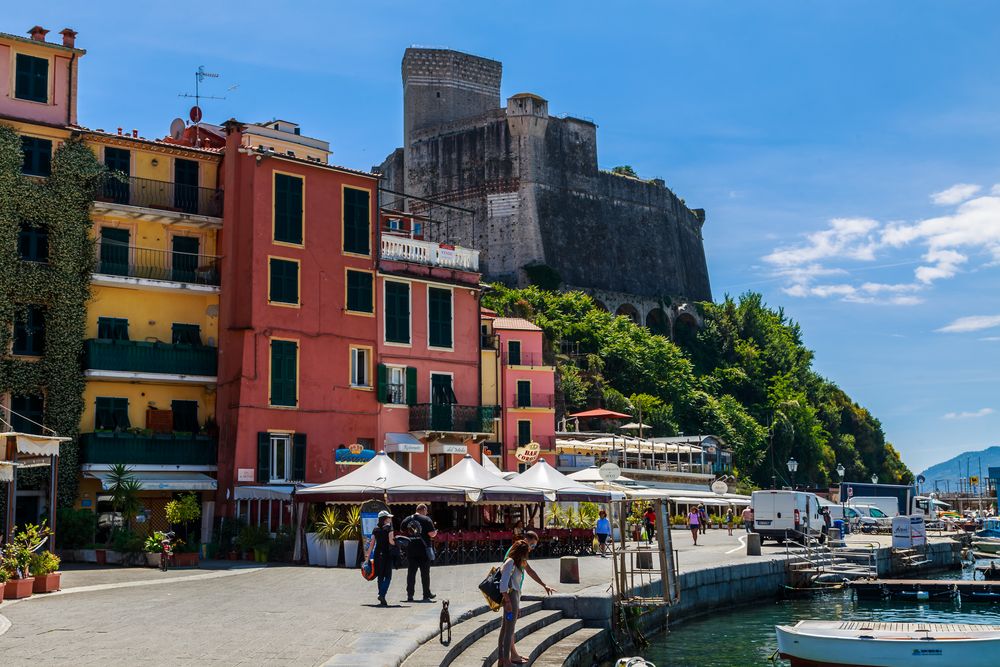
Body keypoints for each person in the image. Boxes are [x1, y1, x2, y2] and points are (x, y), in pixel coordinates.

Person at [498, 540, 537, 666]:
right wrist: (509, 602)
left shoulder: (516, 563)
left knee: (506, 628)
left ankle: (502, 659)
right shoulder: (510, 562)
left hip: (514, 597)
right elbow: (503, 585)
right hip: (511, 597)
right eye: (526, 552)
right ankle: (506, 661)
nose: (527, 555)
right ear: (521, 552)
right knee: (509, 630)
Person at [401, 503, 438, 603]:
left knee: (411, 573)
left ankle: (410, 595)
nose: (427, 513)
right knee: (425, 574)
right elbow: (432, 534)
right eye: (426, 511)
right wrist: (436, 532)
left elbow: (402, 530)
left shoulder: (407, 519)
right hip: (423, 551)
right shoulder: (426, 520)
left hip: (411, 550)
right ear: (424, 510)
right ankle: (426, 594)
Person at [366, 510, 395, 607]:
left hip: (377, 554)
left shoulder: (375, 529)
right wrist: (398, 543)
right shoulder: (389, 528)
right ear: (385, 519)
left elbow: (371, 544)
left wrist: (367, 558)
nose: (390, 519)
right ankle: (382, 594)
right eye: (389, 517)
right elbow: (391, 541)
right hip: (387, 554)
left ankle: (381, 596)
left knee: (380, 575)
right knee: (388, 576)